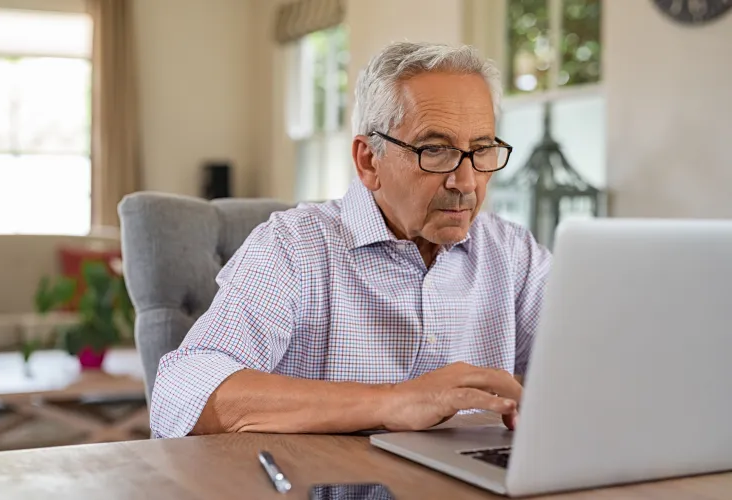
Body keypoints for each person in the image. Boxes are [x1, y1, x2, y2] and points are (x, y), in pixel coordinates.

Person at [150, 41, 551, 438]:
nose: (466, 182)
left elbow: (585, 366)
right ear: (368, 160)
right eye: (435, 150)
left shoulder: (513, 253)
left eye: (481, 150)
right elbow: (180, 395)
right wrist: (393, 402)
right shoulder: (293, 246)